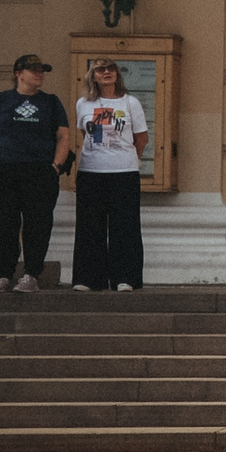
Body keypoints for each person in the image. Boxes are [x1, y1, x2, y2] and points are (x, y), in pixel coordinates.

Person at [0, 55, 73, 293]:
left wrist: (56, 166)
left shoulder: (51, 102)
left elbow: (63, 135)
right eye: (34, 70)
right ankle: (4, 274)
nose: (39, 74)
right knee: (4, 224)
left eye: (42, 70)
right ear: (18, 73)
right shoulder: (0, 99)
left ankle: (31, 274)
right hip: (3, 169)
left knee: (38, 223)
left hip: (39, 170)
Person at [71, 59, 148, 292]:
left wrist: (128, 157)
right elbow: (85, 132)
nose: (106, 73)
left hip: (123, 172)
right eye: (100, 69)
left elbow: (141, 138)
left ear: (117, 74)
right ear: (92, 76)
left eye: (111, 69)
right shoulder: (83, 103)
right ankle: (88, 278)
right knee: (89, 226)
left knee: (125, 226)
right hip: (91, 171)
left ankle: (125, 277)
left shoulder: (130, 102)